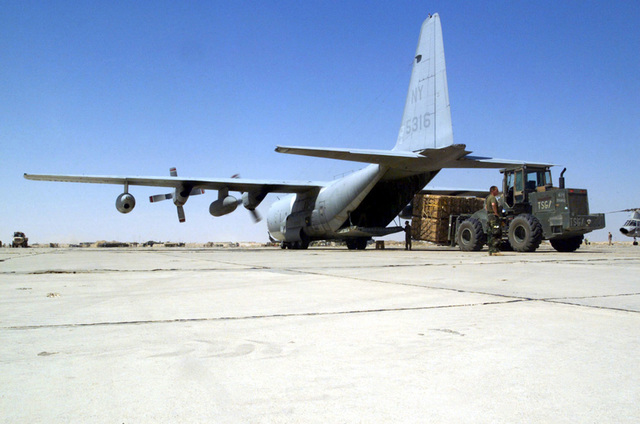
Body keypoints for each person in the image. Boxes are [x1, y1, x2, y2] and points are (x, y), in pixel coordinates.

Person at [485, 185, 502, 255]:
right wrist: (495, 212)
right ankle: (495, 251)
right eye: (497, 190)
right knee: (496, 233)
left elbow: (486, 207)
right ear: (493, 191)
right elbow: (493, 204)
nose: (498, 192)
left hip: (489, 216)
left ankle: (490, 250)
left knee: (490, 233)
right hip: (493, 217)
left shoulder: (488, 197)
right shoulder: (492, 198)